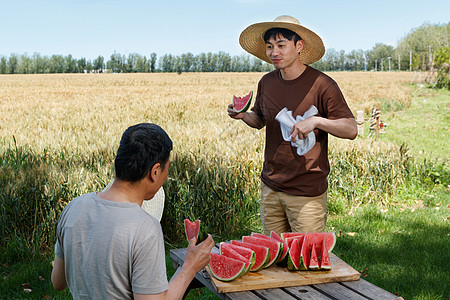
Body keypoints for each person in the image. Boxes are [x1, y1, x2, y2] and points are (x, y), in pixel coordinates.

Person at [51, 123, 215, 299]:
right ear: (155, 171)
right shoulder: (145, 228)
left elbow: (58, 281)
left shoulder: (73, 207)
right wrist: (190, 267)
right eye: (167, 169)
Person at [228, 15, 357, 235]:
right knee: (274, 261)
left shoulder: (322, 84)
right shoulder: (266, 83)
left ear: (299, 46)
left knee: (305, 263)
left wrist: (316, 121)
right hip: (271, 187)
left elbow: (351, 129)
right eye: (269, 47)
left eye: (281, 45)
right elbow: (259, 120)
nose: (274, 53)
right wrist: (243, 116)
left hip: (306, 192)